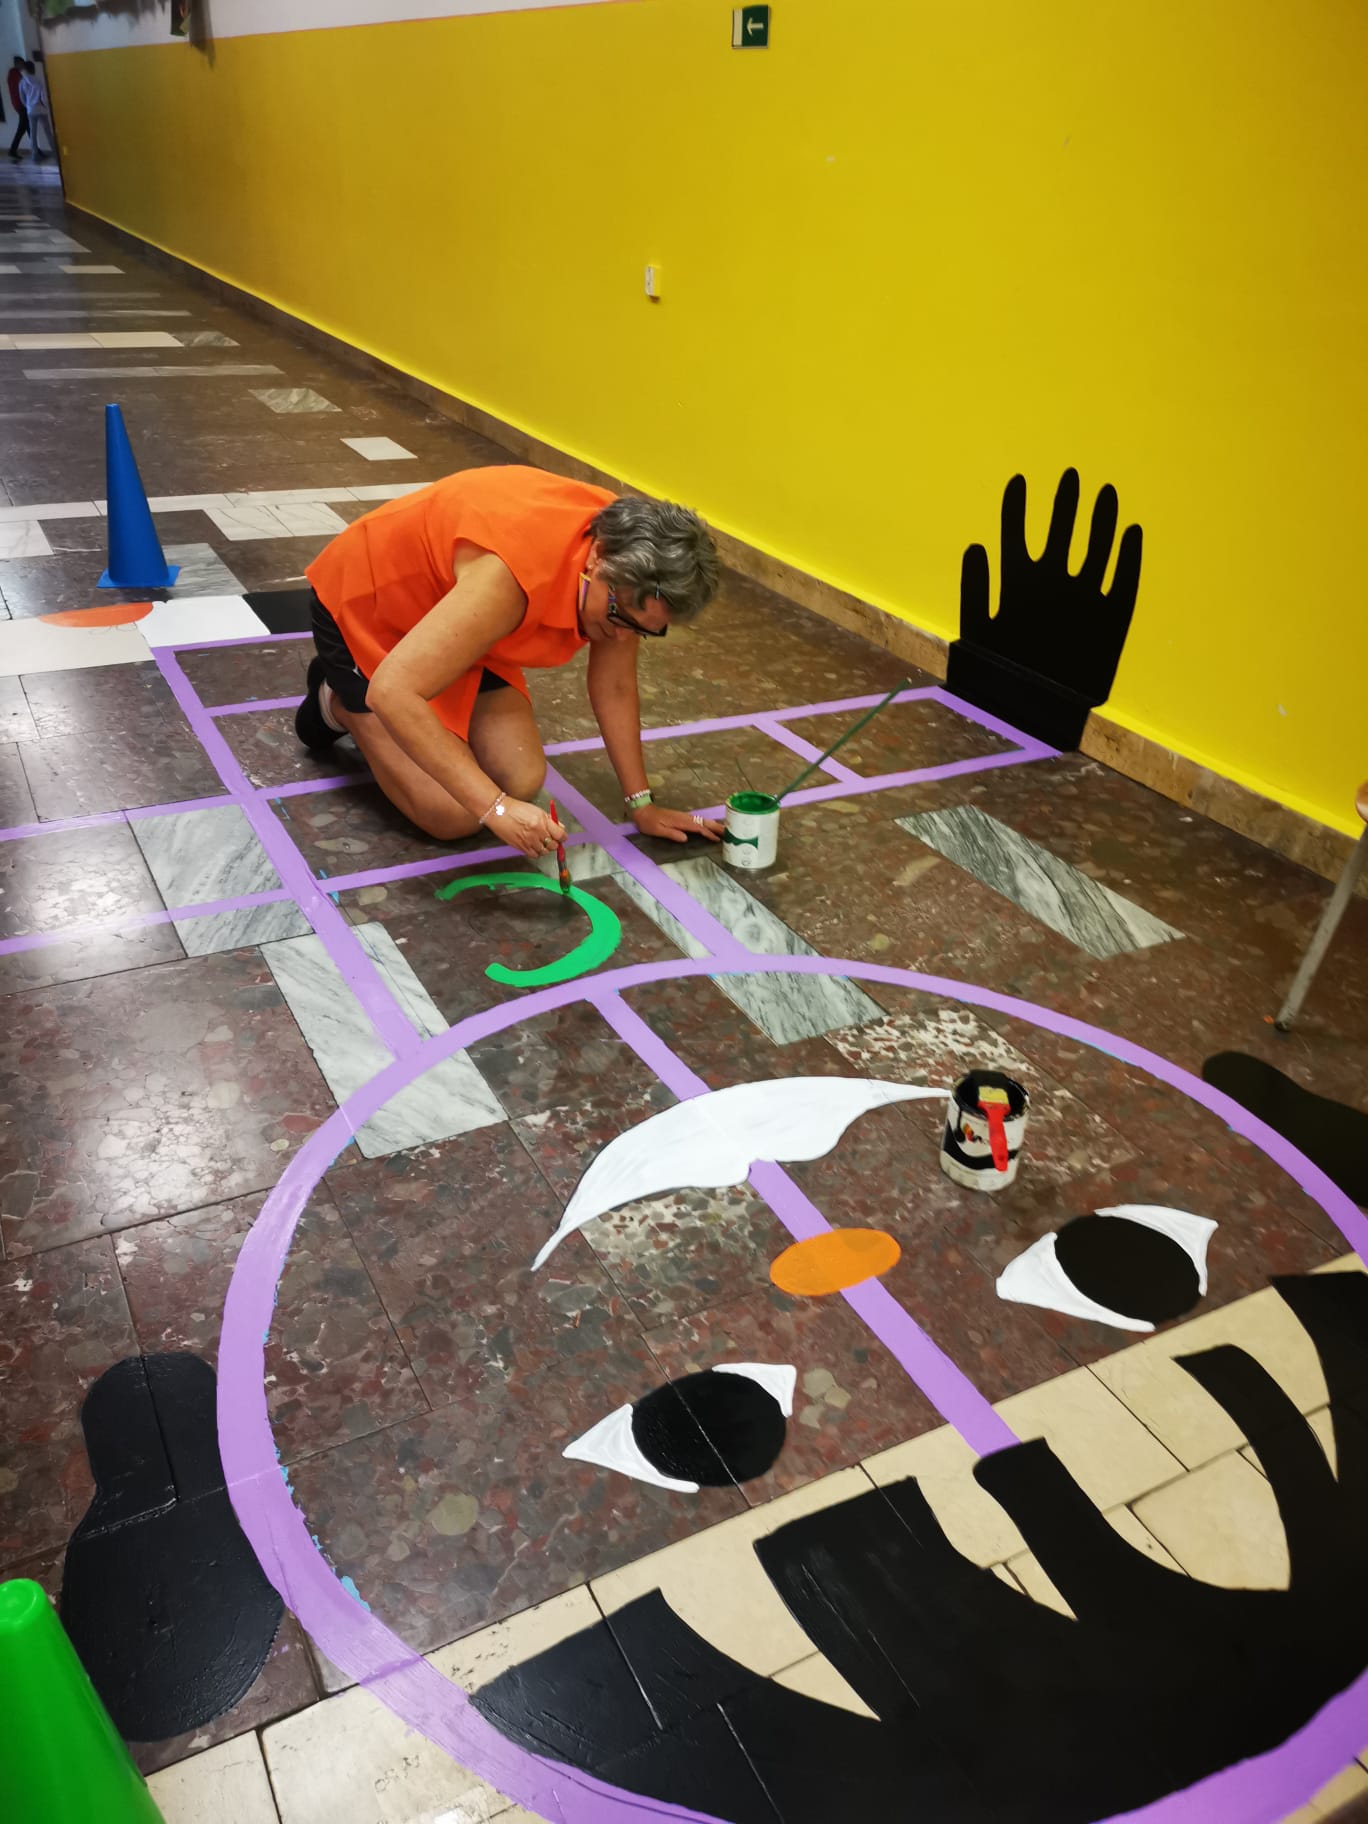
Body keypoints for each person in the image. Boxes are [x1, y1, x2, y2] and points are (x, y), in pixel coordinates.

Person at [296, 465, 726, 862]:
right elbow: (393, 691)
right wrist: (495, 808)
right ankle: (336, 700)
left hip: (466, 622)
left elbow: (614, 686)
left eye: (644, 629)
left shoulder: (628, 565)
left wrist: (641, 804)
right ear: (598, 556)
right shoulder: (514, 576)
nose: (621, 637)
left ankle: (427, 686)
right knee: (453, 814)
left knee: (521, 779)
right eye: (619, 616)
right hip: (370, 609)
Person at [19, 60, 52, 163]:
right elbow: (43, 97)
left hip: (31, 110)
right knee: (48, 132)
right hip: (41, 109)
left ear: (26, 69)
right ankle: (56, 153)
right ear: (33, 69)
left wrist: (28, 106)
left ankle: (35, 156)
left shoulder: (22, 82)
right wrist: (45, 106)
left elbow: (22, 98)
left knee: (33, 135)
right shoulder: (39, 80)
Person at [7, 57, 27, 162]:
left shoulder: (14, 74)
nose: (23, 66)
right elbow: (19, 90)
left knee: (26, 127)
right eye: (22, 64)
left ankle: (36, 150)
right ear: (18, 64)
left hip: (19, 104)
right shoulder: (14, 74)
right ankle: (12, 150)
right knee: (23, 128)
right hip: (20, 104)